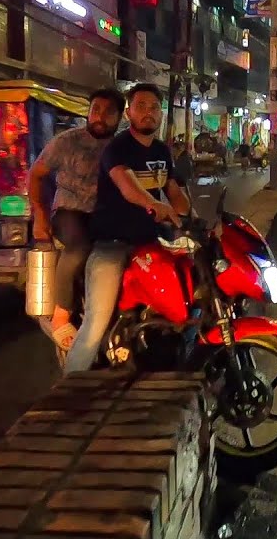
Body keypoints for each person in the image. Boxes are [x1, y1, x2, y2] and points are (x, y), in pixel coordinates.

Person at [68, 83, 191, 375]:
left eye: (154, 108)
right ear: (129, 112)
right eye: (141, 106)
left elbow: (175, 193)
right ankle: (65, 397)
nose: (148, 113)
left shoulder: (162, 151)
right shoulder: (118, 148)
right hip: (113, 243)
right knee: (95, 326)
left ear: (160, 114)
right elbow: (129, 188)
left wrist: (194, 216)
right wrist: (157, 207)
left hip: (150, 241)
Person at [27, 87, 125, 367]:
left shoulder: (120, 147)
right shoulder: (66, 142)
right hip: (70, 211)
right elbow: (36, 175)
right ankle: (61, 312)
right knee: (80, 246)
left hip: (105, 215)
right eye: (96, 109)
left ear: (119, 117)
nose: (100, 117)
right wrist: (41, 216)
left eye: (108, 112)